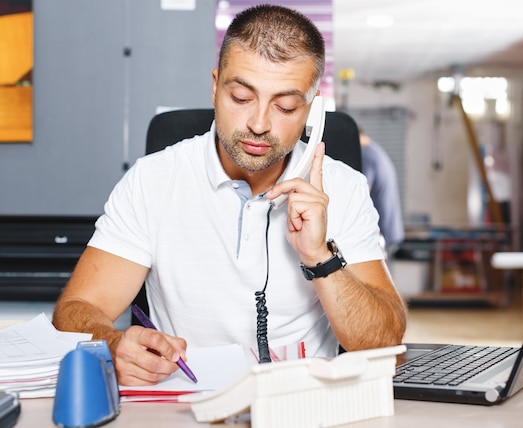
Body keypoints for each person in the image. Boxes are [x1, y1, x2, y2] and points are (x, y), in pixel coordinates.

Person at [52, 4, 406, 386]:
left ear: (312, 110)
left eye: (285, 106)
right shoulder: (151, 180)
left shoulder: (344, 187)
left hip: (303, 407)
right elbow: (75, 310)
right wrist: (112, 342)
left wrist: (319, 257)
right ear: (215, 85)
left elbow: (385, 346)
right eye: (240, 97)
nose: (258, 124)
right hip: (182, 405)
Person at [359, 128, 405, 248]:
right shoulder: (375, 150)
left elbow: (362, 191)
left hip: (383, 230)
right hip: (391, 228)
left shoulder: (366, 154)